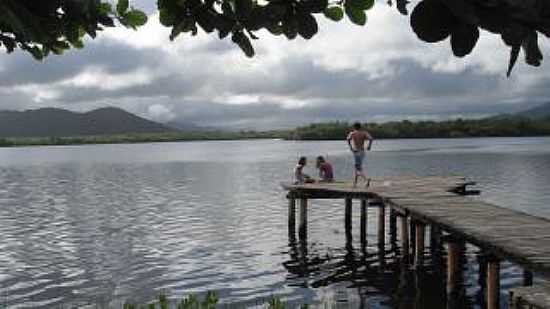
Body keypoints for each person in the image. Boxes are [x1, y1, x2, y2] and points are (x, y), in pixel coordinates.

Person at [346, 122, 373, 187]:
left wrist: (351, 147)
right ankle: (355, 183)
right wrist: (369, 146)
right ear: (360, 127)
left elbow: (348, 139)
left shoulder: (352, 133)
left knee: (358, 168)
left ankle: (366, 179)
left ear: (354, 127)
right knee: (357, 167)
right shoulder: (364, 133)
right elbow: (371, 138)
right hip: (362, 152)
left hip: (356, 151)